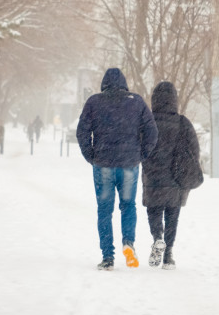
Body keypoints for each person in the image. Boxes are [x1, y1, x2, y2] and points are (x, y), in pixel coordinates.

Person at [77, 68, 158, 271]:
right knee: (128, 206)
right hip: (129, 164)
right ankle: (128, 243)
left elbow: (82, 132)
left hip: (103, 163)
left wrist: (91, 155)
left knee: (105, 210)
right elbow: (152, 131)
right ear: (124, 83)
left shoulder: (94, 102)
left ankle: (107, 257)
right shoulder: (136, 102)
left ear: (104, 83)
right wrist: (141, 154)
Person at [141, 81, 200, 270]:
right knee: (173, 216)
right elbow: (194, 150)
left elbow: (139, 146)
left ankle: (157, 238)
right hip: (176, 178)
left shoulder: (147, 121)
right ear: (174, 100)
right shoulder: (183, 122)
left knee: (154, 211)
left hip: (153, 177)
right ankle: (168, 256)